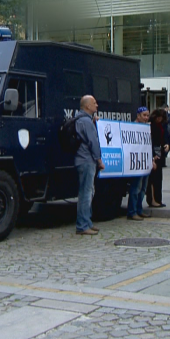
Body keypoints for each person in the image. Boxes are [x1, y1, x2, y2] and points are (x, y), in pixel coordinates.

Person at [74, 95, 104, 235]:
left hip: (81, 159)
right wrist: (99, 160)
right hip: (87, 160)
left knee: (88, 191)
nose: (96, 105)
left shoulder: (81, 119)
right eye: (94, 103)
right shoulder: (86, 122)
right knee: (86, 193)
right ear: (87, 106)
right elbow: (93, 142)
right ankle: (83, 225)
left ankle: (87, 222)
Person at [127, 107, 152, 221]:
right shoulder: (132, 127)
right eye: (144, 115)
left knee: (143, 188)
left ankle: (139, 209)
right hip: (136, 162)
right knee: (136, 187)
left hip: (145, 161)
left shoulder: (147, 127)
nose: (146, 117)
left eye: (147, 115)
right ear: (138, 116)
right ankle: (132, 211)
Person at [147, 109, 170, 208]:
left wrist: (167, 144)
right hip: (153, 151)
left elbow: (166, 136)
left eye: (161, 118)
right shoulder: (150, 125)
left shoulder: (163, 125)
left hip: (160, 152)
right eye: (158, 118)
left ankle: (158, 199)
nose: (159, 119)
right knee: (152, 178)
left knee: (158, 178)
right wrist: (152, 155)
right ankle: (152, 199)